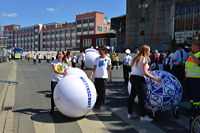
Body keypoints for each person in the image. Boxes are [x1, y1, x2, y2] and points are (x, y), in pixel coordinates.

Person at [128, 45, 161, 122]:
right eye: (149, 50)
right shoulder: (144, 59)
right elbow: (145, 73)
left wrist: (146, 72)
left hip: (133, 77)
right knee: (142, 98)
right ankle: (143, 116)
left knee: (132, 96)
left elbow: (138, 69)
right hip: (139, 79)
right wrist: (155, 78)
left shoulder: (136, 58)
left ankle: (130, 114)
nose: (150, 52)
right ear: (145, 51)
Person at [89, 45, 112, 110]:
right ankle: (100, 101)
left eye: (100, 50)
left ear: (104, 51)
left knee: (102, 91)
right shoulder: (97, 59)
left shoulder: (108, 59)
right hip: (97, 77)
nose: (99, 51)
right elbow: (94, 68)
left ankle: (99, 104)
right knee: (97, 91)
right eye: (99, 50)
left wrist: (110, 78)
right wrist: (91, 75)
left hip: (104, 77)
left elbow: (110, 69)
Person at [185, 40, 200, 107]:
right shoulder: (192, 54)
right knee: (190, 93)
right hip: (189, 77)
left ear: (198, 47)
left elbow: (198, 63)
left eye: (193, 45)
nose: (191, 47)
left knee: (196, 93)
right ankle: (193, 106)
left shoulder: (197, 54)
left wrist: (192, 55)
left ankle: (197, 108)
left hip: (196, 78)